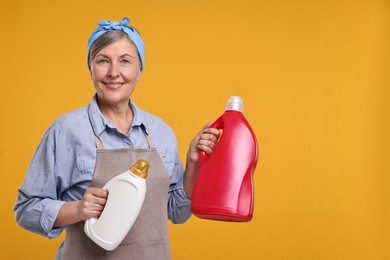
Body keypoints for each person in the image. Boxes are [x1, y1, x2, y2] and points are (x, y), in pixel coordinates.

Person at [14, 17, 220, 260]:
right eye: (103, 61)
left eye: (125, 61)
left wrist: (194, 164)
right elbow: (25, 209)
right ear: (90, 68)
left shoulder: (160, 131)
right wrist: (78, 209)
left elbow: (176, 211)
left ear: (139, 70)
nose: (114, 73)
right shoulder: (67, 130)